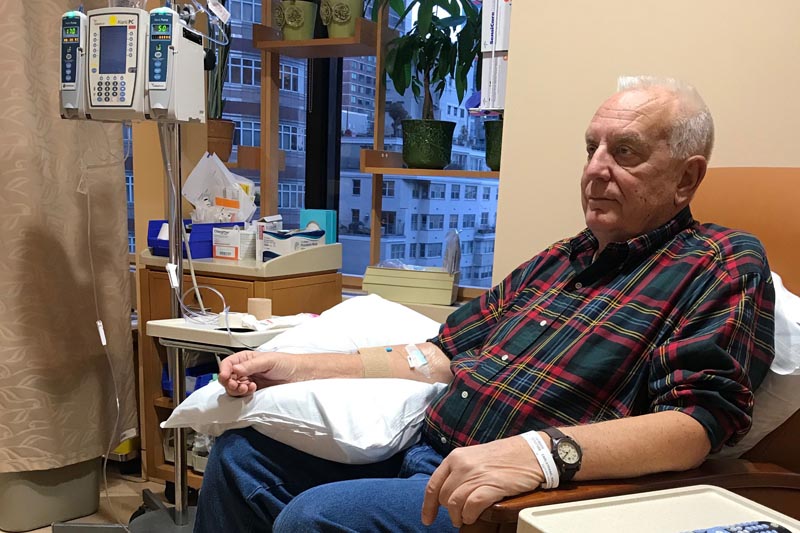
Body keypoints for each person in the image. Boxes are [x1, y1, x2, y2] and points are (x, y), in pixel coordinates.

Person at [194, 76, 775, 532]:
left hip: (513, 493)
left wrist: (540, 456)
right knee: (240, 459)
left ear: (685, 178)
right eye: (592, 148)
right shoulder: (559, 261)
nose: (596, 169)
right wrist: (289, 368)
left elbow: (696, 424)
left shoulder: (718, 262)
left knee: (317, 517)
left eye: (625, 152)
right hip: (422, 454)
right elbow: (438, 354)